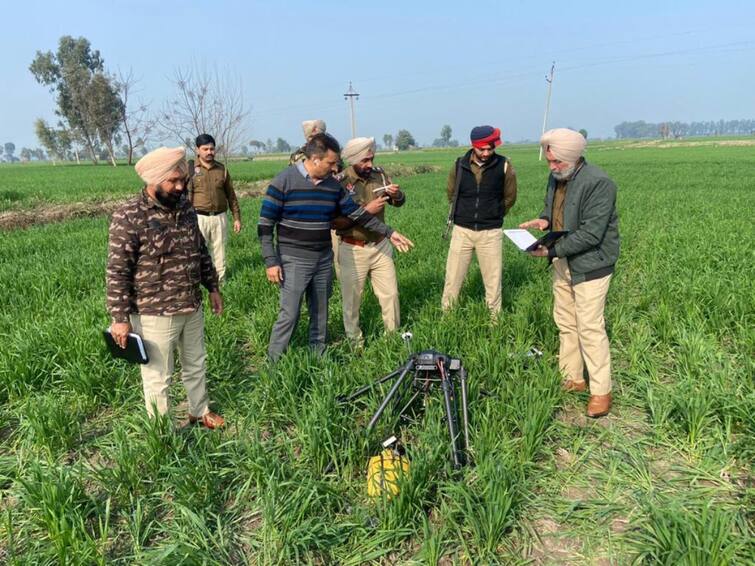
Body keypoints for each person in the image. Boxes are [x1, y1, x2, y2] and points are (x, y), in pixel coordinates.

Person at [258, 133, 414, 361]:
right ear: (314, 159)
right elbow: (265, 225)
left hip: (322, 257)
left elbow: (358, 214)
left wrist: (390, 233)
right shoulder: (284, 180)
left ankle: (318, 356)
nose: (335, 168)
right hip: (293, 259)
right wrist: (271, 261)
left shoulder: (333, 186)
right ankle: (273, 363)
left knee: (320, 312)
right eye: (331, 163)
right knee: (289, 314)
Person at [107, 146, 225, 428]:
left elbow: (200, 249)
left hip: (191, 304)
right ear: (153, 180)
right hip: (154, 312)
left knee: (196, 362)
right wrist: (119, 318)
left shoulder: (184, 207)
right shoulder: (129, 216)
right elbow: (117, 270)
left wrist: (212, 286)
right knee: (159, 375)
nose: (180, 186)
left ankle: (200, 410)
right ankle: (162, 431)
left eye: (182, 179)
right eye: (173, 181)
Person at [520, 128, 620, 418]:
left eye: (556, 162)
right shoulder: (557, 178)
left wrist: (551, 251)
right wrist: (543, 220)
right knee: (565, 320)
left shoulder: (599, 183)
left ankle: (601, 391)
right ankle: (573, 377)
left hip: (591, 264)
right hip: (562, 259)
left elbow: (591, 233)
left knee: (590, 326)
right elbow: (553, 211)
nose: (552, 167)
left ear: (572, 157)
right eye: (549, 162)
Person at [333, 137, 406, 344]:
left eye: (371, 159)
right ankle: (354, 341)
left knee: (390, 295)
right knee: (352, 299)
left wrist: (396, 194)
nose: (369, 165)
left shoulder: (379, 175)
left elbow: (398, 202)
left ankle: (392, 338)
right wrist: (367, 210)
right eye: (365, 161)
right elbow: (335, 222)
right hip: (353, 249)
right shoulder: (340, 182)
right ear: (353, 159)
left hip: (381, 245)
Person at [441, 125, 518, 317]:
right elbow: (451, 193)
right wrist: (465, 213)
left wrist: (494, 213)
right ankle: (447, 317)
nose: (486, 153)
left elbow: (510, 197)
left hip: (490, 233)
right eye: (481, 149)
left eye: (490, 149)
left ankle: (494, 321)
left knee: (493, 281)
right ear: (473, 145)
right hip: (462, 231)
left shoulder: (504, 165)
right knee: (453, 279)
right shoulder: (459, 164)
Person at [188, 134, 242, 285]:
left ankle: (220, 281)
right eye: (205, 149)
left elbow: (231, 196)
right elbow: (185, 197)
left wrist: (237, 217)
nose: (209, 152)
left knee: (220, 250)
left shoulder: (222, 170)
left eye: (212, 149)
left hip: (220, 216)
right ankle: (199, 282)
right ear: (197, 150)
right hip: (199, 217)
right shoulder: (191, 169)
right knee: (198, 251)